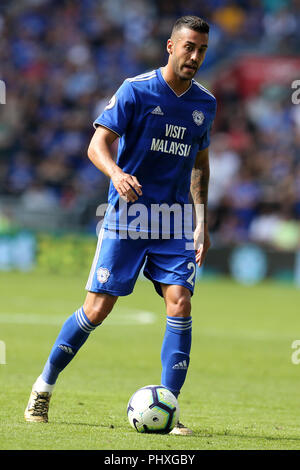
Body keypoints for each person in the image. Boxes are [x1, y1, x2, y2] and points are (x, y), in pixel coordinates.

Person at [25, 15, 217, 435]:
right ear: (171, 47)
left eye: (202, 49)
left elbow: (200, 167)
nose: (195, 56)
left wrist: (201, 222)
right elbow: (97, 144)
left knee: (180, 302)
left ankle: (169, 407)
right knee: (97, 309)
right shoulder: (136, 90)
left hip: (175, 222)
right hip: (129, 217)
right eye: (189, 47)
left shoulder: (205, 103)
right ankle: (44, 385)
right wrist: (115, 173)